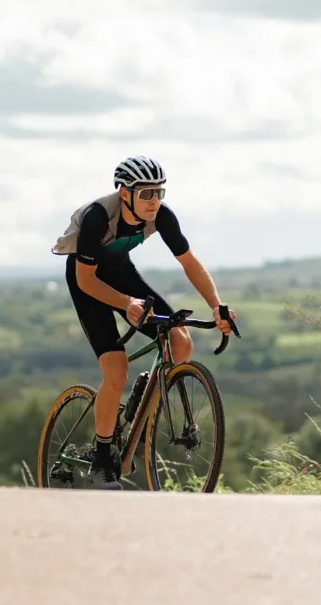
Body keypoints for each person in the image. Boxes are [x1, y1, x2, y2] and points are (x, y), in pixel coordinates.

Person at [51, 155, 237, 490]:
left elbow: (190, 262)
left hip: (121, 274)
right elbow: (86, 282)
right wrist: (125, 304)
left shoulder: (162, 216)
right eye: (146, 194)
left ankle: (142, 400)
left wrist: (217, 306)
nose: (154, 201)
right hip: (88, 282)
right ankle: (103, 457)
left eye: (159, 192)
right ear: (125, 194)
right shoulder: (97, 218)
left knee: (180, 342)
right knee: (116, 370)